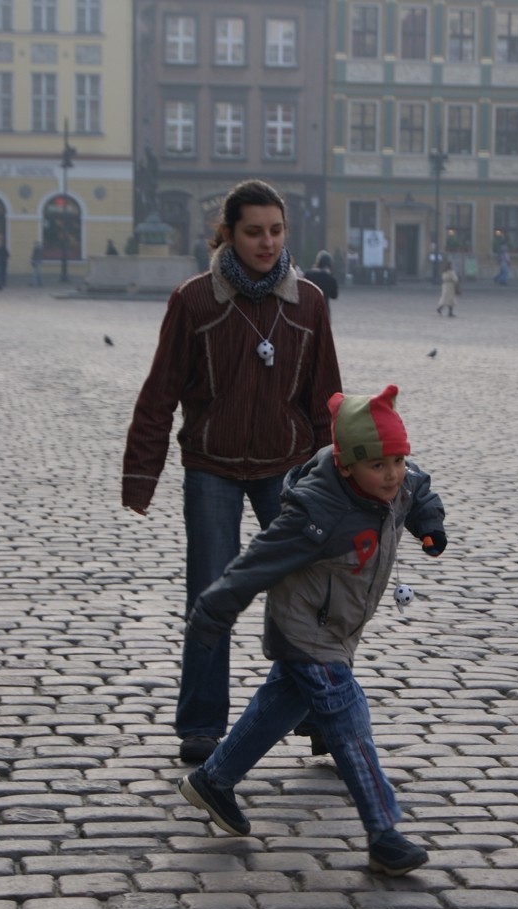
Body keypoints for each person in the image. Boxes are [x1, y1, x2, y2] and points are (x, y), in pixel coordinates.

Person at [178, 384, 447, 875]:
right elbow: (256, 563)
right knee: (349, 721)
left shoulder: (399, 480)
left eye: (397, 462)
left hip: (339, 627)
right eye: (378, 466)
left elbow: (419, 487)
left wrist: (429, 525)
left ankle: (214, 781)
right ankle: (385, 835)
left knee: (282, 702)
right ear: (346, 466)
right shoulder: (316, 511)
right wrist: (212, 613)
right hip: (306, 630)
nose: (392, 476)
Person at [122, 178, 341, 764]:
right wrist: (141, 474)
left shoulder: (309, 302)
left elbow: (327, 399)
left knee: (308, 595)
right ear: (228, 234)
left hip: (288, 469)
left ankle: (322, 716)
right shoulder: (195, 300)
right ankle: (199, 723)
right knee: (211, 594)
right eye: (253, 232)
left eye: (275, 230)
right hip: (212, 467)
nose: (266, 243)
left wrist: (334, 481)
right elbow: (159, 391)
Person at [303, 250, 339, 316]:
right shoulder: (331, 279)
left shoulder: (309, 274)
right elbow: (334, 296)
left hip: (310, 309)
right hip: (324, 310)